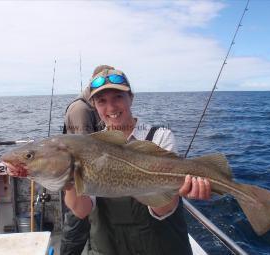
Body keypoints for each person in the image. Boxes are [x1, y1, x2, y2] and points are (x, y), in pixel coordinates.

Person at [64, 66, 211, 255]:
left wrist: (179, 188)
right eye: (102, 101)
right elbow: (82, 210)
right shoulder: (89, 146)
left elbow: (162, 210)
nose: (111, 107)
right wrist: (68, 180)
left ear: (131, 98)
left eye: (118, 97)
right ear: (94, 105)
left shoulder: (159, 137)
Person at [60, 66, 108, 255]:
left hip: (92, 180)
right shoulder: (81, 108)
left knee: (91, 227)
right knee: (75, 229)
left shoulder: (94, 106)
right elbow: (83, 149)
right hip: (79, 179)